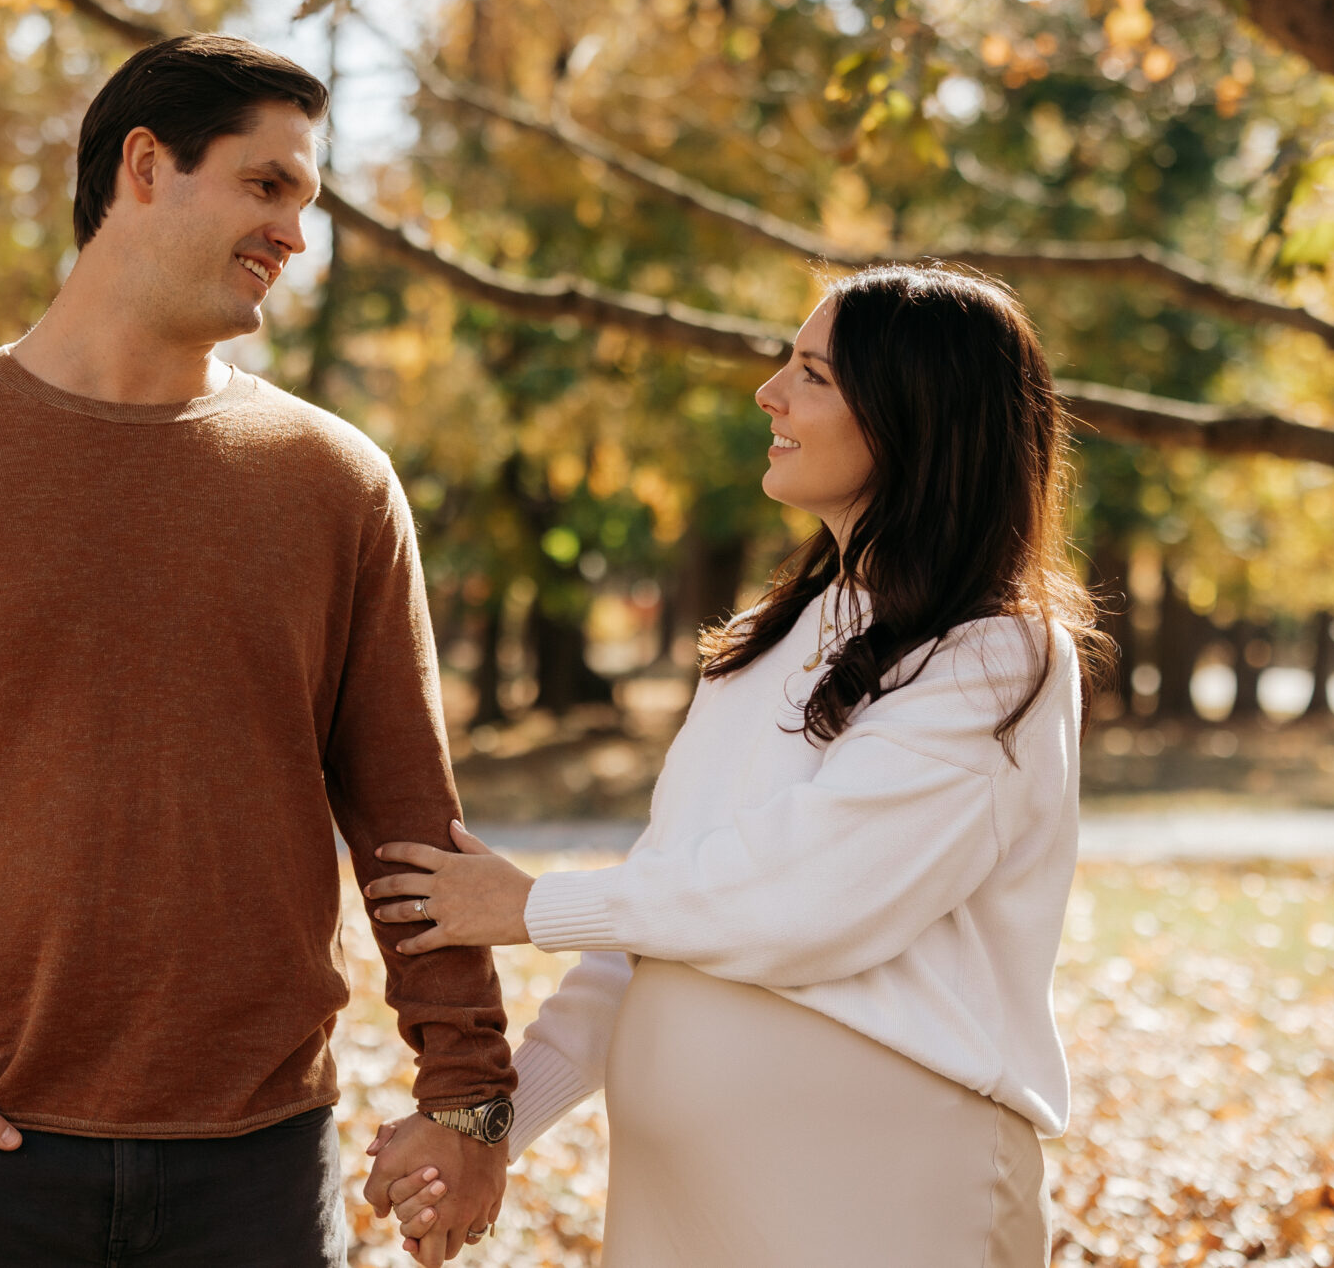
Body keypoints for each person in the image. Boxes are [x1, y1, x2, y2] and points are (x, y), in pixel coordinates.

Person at [0, 33, 515, 1268]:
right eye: (267, 187)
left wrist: (468, 1087)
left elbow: (408, 822)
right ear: (145, 167)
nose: (294, 234)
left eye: (306, 200)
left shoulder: (336, 484)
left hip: (256, 1169)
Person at [360, 264, 1110, 1267]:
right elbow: (660, 916)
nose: (769, 393)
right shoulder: (770, 636)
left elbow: (806, 897)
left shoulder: (991, 658)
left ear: (912, 416)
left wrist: (531, 906)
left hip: (882, 1200)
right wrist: (491, 1128)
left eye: (812, 374)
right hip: (686, 1214)